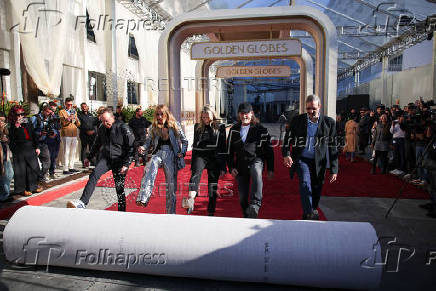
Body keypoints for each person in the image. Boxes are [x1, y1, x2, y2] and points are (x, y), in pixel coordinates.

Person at [282, 95, 338, 220]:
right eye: (308, 109)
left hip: (319, 162)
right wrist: (286, 154)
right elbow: (287, 140)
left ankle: (310, 211)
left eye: (313, 108)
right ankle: (310, 213)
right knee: (305, 182)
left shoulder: (329, 123)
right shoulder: (297, 120)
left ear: (319, 106)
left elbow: (333, 147)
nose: (310, 111)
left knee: (316, 189)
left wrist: (334, 169)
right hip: (302, 159)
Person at [67, 110, 135, 211]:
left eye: (107, 121)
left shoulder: (123, 127)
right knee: (94, 174)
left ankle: (122, 211)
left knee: (119, 187)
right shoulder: (102, 128)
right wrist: (89, 157)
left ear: (113, 118)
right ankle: (83, 202)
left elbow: (131, 146)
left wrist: (126, 164)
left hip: (119, 160)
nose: (105, 123)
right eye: (102, 121)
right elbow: (97, 144)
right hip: (106, 159)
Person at [136, 104, 188, 214]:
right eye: (157, 114)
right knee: (150, 166)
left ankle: (171, 213)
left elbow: (185, 141)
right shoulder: (153, 127)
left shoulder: (174, 125)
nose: (159, 117)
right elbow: (148, 142)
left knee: (171, 187)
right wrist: (143, 148)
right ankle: (143, 198)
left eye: (161, 114)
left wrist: (182, 153)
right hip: (158, 153)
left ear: (166, 114)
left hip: (171, 155)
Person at [227, 102, 274, 218]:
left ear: (252, 114)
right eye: (242, 114)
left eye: (246, 113)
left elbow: (269, 150)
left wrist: (270, 169)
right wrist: (231, 167)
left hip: (256, 160)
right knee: (242, 198)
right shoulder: (234, 130)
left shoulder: (261, 129)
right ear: (239, 115)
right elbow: (229, 151)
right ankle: (248, 215)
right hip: (240, 166)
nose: (244, 116)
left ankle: (255, 204)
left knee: (256, 171)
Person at [183, 106, 227, 216]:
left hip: (214, 157)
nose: (205, 119)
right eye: (202, 117)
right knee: (195, 175)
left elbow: (223, 147)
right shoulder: (197, 126)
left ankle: (211, 210)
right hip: (200, 155)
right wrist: (193, 164)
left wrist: (223, 166)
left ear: (212, 115)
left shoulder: (220, 127)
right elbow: (195, 145)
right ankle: (191, 200)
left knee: (213, 183)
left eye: (207, 116)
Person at [8, 105, 43, 196]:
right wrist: (16, 126)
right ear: (14, 115)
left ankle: (33, 187)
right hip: (19, 149)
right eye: (18, 114)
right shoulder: (11, 125)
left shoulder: (27, 122)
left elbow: (33, 135)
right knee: (21, 170)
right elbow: (11, 138)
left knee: (32, 168)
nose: (20, 117)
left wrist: (37, 147)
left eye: (22, 114)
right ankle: (21, 189)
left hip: (29, 147)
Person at [30, 104, 53, 183]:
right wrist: (40, 133)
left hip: (43, 143)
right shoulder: (35, 118)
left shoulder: (48, 119)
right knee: (34, 163)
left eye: (50, 113)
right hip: (34, 143)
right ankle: (35, 180)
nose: (48, 114)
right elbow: (31, 131)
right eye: (47, 112)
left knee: (47, 161)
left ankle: (41, 177)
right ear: (43, 111)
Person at [59, 97, 81, 174]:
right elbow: (63, 123)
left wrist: (76, 119)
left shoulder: (74, 111)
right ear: (65, 104)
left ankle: (71, 167)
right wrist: (69, 118)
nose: (70, 106)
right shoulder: (62, 111)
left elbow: (78, 124)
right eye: (68, 104)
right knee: (66, 151)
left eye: (71, 104)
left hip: (74, 133)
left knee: (73, 151)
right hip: (66, 133)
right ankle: (65, 168)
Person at [78, 102, 98, 167]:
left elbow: (94, 124)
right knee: (84, 148)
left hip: (92, 135)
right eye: (83, 107)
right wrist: (86, 131)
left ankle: (92, 161)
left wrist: (93, 131)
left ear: (87, 107)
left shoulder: (91, 115)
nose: (84, 108)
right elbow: (79, 125)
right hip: (84, 134)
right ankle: (84, 163)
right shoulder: (79, 115)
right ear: (81, 108)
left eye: (85, 106)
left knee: (91, 148)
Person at [0, 112, 14, 202]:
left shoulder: (4, 128)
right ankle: (4, 195)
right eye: (0, 120)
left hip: (6, 155)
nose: (2, 122)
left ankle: (6, 192)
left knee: (10, 174)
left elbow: (8, 138)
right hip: (1, 156)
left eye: (3, 120)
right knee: (4, 176)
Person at [47, 101, 61, 179]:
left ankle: (52, 172)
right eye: (52, 109)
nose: (53, 111)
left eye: (54, 110)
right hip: (49, 139)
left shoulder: (55, 116)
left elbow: (59, 127)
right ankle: (47, 172)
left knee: (54, 156)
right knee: (49, 156)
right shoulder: (46, 117)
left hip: (56, 138)